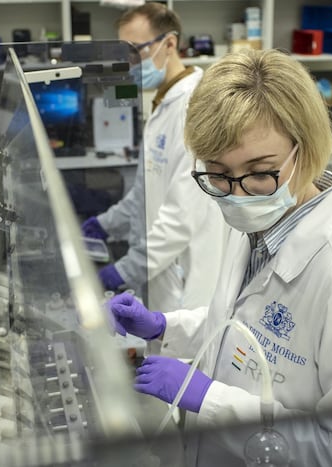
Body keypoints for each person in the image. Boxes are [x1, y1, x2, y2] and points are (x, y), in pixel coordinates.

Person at [108, 49, 332, 466]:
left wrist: (210, 401)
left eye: (260, 172)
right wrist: (164, 326)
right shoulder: (258, 222)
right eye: (217, 174)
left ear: (306, 149)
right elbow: (242, 326)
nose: (237, 195)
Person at [82, 3, 226, 312]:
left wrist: (125, 270)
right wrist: (104, 225)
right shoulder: (163, 102)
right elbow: (145, 192)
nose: (129, 63)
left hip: (184, 274)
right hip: (161, 270)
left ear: (169, 43)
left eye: (136, 51)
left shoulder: (193, 108)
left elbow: (181, 217)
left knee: (179, 339)